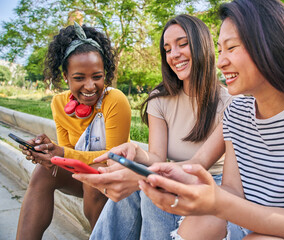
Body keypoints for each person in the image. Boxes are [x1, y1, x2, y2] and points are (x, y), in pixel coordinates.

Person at [139, 0, 284, 239]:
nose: (221, 62)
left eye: (231, 47)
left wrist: (216, 201)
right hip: (248, 224)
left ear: (271, 43)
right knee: (201, 222)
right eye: (220, 49)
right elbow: (233, 190)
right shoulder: (239, 110)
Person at [73, 14, 233, 239]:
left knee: (149, 186)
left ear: (202, 45)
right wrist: (136, 153)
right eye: (167, 49)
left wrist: (150, 176)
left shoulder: (228, 103)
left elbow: (199, 165)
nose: (174, 55)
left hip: (212, 180)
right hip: (171, 169)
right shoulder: (160, 99)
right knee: (139, 182)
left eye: (183, 44)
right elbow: (157, 156)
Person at [16, 22, 131, 240]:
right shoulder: (59, 103)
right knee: (43, 173)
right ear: (66, 76)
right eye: (79, 78)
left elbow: (113, 160)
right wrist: (49, 155)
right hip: (84, 176)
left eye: (97, 76)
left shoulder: (114, 100)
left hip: (116, 178)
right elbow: (67, 154)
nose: (90, 86)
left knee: (96, 176)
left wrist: (62, 154)